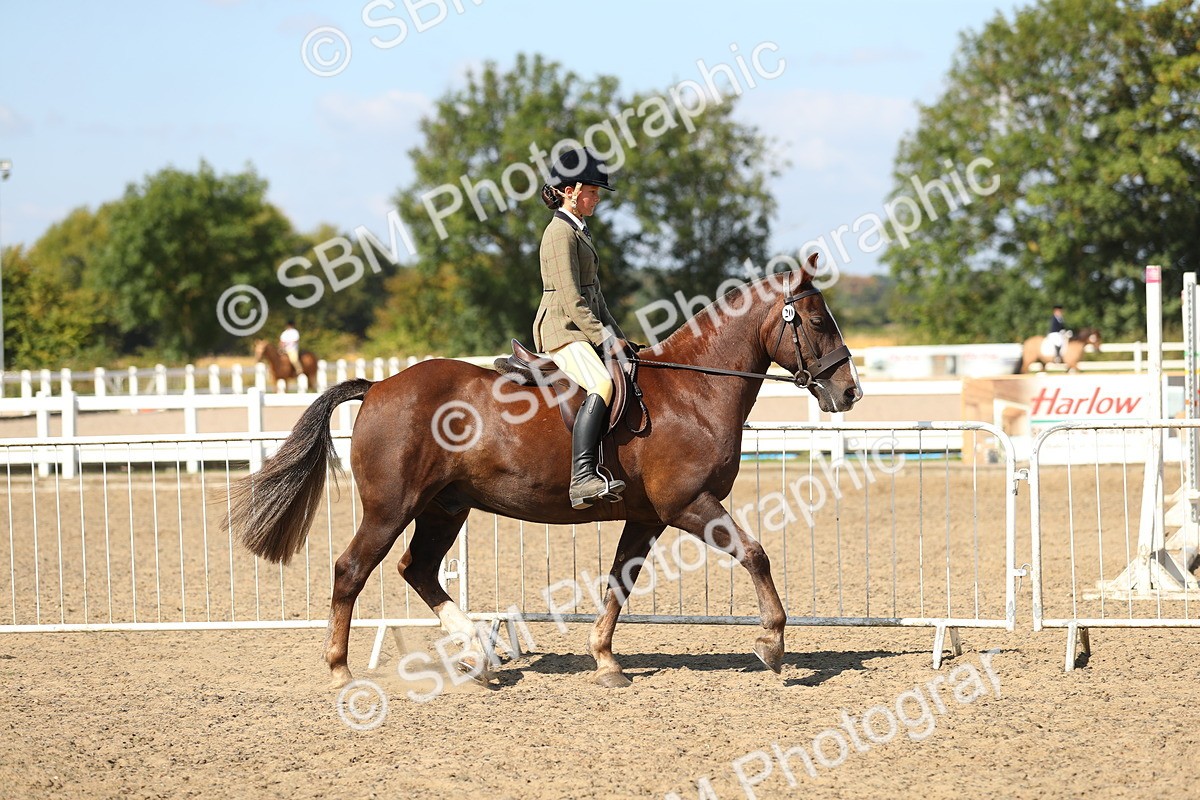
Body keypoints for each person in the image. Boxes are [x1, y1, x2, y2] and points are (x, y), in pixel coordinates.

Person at [533, 148, 632, 509]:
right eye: (591, 192)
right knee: (602, 383)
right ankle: (582, 477)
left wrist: (618, 338)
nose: (596, 199)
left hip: (580, 325)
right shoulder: (560, 233)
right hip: (562, 329)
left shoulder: (580, 230)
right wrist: (603, 338)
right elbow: (573, 299)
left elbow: (596, 298)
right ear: (570, 191)